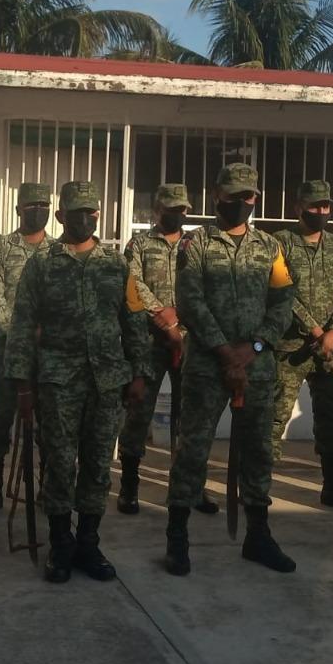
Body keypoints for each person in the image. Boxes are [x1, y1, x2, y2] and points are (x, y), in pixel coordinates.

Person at [5, 181, 149, 584]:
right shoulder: (42, 264)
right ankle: (61, 544)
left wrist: (139, 372)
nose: (85, 219)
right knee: (59, 465)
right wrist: (22, 384)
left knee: (99, 465)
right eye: (77, 212)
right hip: (58, 382)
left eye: (92, 212)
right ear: (61, 216)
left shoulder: (117, 264)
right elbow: (22, 324)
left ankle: (88, 541)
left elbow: (134, 320)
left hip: (107, 382)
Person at [164, 163, 296, 576]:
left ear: (256, 199)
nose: (241, 203)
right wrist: (226, 351)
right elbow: (190, 302)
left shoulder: (270, 248)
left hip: (257, 366)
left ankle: (258, 536)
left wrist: (254, 347)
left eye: (249, 196)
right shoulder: (196, 245)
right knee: (193, 450)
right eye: (233, 195)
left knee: (259, 452)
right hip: (207, 365)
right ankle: (177, 538)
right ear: (217, 195)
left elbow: (284, 301)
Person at [117, 184, 219, 516]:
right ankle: (129, 486)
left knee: (191, 418)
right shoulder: (140, 244)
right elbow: (132, 282)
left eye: (182, 209)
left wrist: (182, 321)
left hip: (191, 341)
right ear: (157, 211)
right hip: (149, 340)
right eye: (170, 209)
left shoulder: (198, 244)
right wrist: (162, 315)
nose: (177, 214)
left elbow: (207, 286)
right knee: (138, 412)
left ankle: (191, 487)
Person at [270, 180, 333, 513]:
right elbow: (283, 292)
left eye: (325, 206)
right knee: (275, 418)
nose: (321, 212)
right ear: (298, 208)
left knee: (329, 419)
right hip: (290, 348)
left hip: (330, 350)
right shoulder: (280, 243)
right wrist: (314, 329)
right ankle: (259, 485)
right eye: (314, 206)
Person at [0, 182, 55, 517]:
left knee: (50, 423)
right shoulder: (1, 249)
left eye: (43, 205)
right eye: (31, 205)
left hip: (51, 354)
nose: (37, 210)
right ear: (18, 210)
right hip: (10, 350)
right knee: (1, 419)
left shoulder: (58, 250)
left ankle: (48, 489)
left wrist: (47, 335)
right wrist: (20, 338)